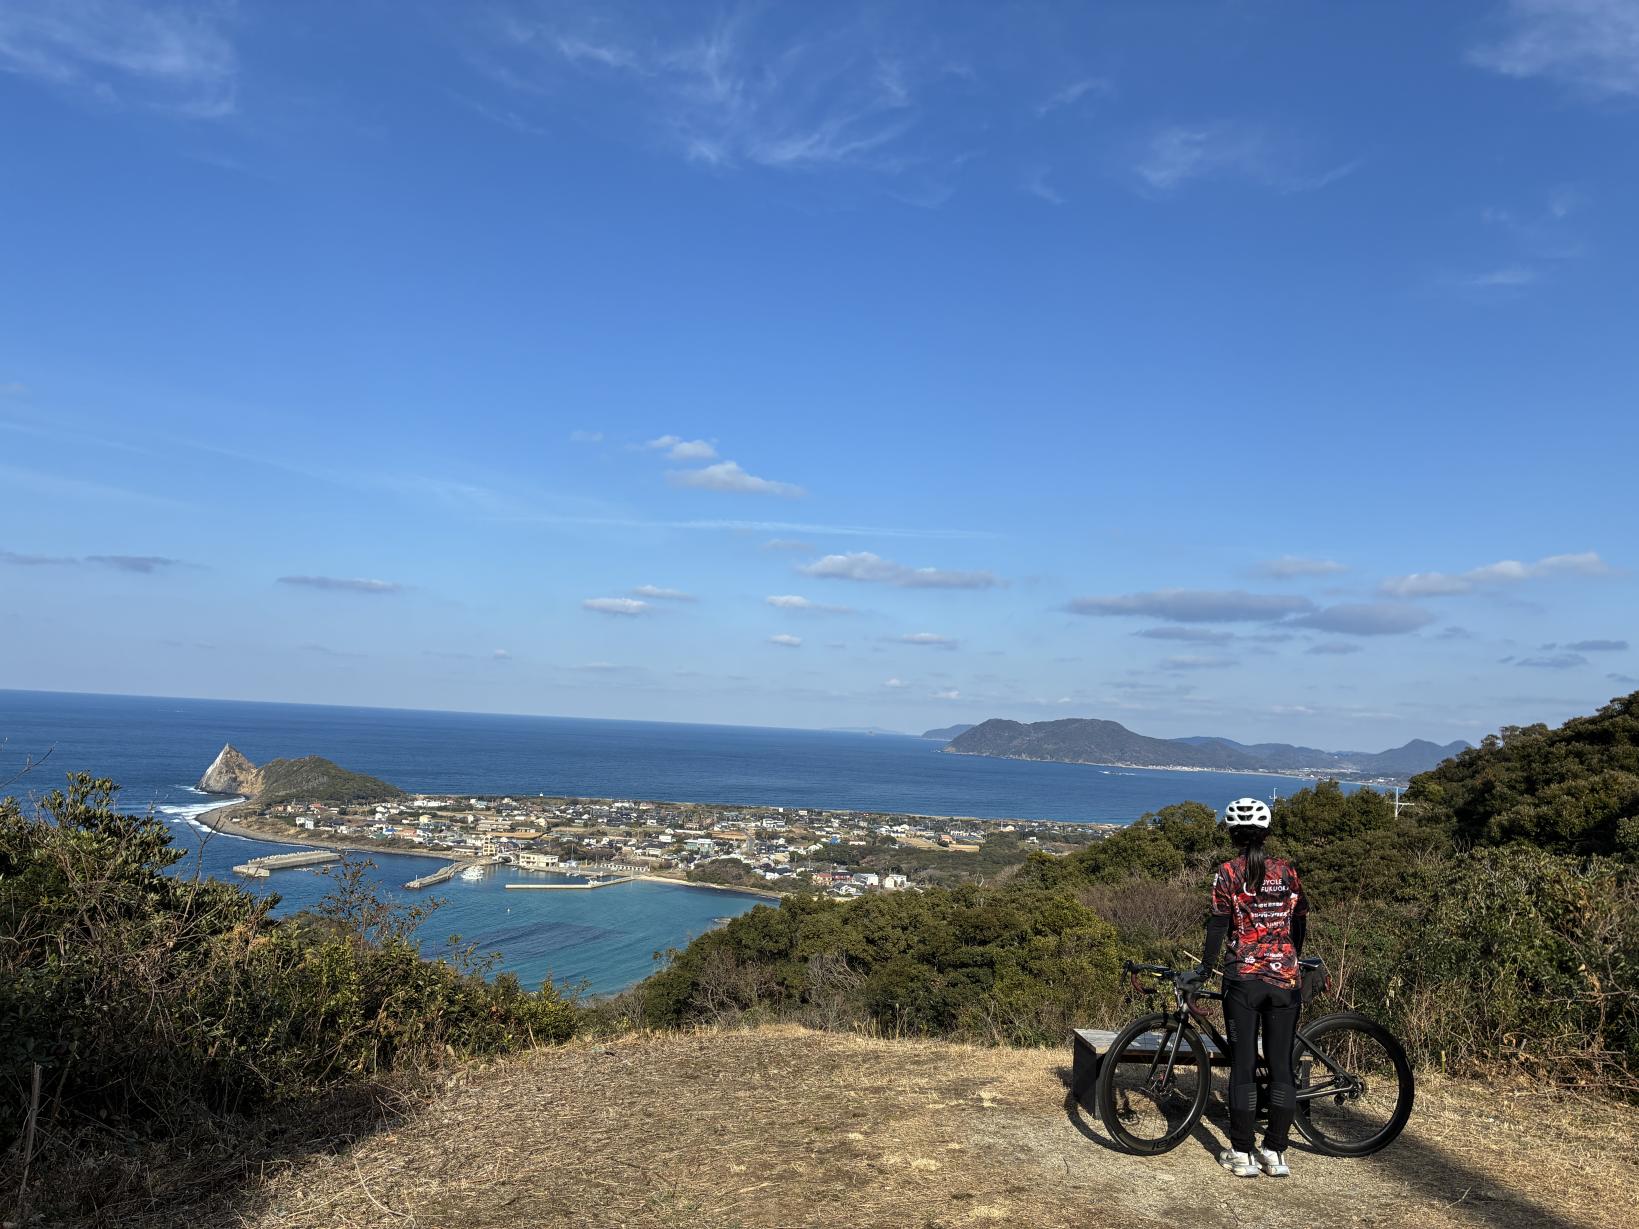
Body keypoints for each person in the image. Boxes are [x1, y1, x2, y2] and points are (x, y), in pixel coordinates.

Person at [1183, 797, 1309, 1179]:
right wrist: (1290, 958)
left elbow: (1218, 926)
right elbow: (1300, 920)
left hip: (1243, 979)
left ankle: (1242, 1153)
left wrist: (1204, 970)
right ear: (1266, 832)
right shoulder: (1287, 871)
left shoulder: (1227, 872)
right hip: (1285, 979)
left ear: (1232, 832)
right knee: (1281, 1066)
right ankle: (1275, 1152)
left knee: (1242, 1067)